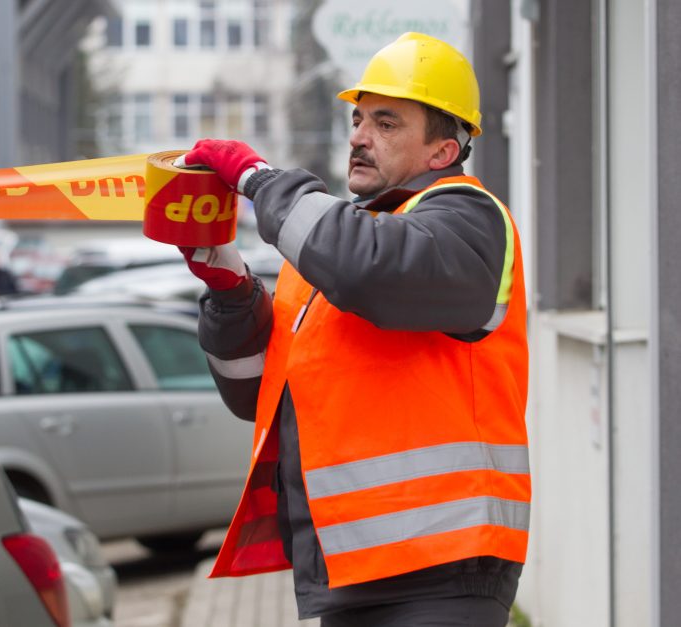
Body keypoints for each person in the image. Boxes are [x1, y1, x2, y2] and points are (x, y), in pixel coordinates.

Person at [175, 32, 530, 626]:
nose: (359, 137)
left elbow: (370, 269)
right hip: (350, 569)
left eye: (387, 124)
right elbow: (252, 392)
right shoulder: (330, 248)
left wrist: (261, 181)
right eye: (359, 118)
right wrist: (230, 292)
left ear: (443, 151)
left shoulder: (469, 219)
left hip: (443, 566)